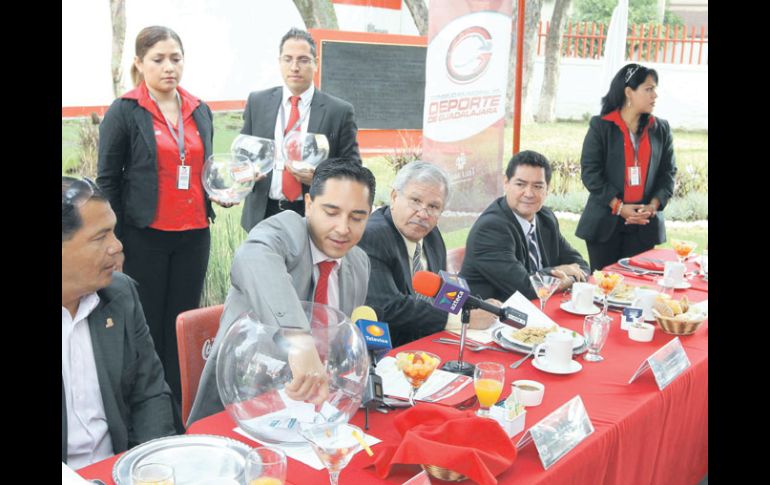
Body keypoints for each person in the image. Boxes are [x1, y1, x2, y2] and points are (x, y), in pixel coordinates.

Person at [188, 158, 374, 425]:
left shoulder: (358, 264)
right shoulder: (288, 231)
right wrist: (299, 342)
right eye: (331, 213)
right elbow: (253, 256)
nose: (343, 228)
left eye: (357, 217)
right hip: (246, 403)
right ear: (309, 205)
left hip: (317, 410)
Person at [97, 26, 227, 403]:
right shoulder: (126, 111)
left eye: (176, 58)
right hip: (145, 235)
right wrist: (113, 240)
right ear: (139, 63)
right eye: (158, 60)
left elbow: (202, 168)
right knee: (148, 324)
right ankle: (145, 402)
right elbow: (107, 180)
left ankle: (178, 402)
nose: (169, 67)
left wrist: (219, 192)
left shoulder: (199, 109)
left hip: (194, 235)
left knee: (183, 323)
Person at [62, 176, 180, 469]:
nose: (116, 247)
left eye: (113, 232)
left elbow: (150, 395)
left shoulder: (120, 294)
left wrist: (150, 469)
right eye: (101, 237)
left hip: (119, 468)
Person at [358, 161, 499, 347]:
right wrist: (465, 318)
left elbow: (441, 292)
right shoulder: (372, 236)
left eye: (433, 207)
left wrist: (474, 307)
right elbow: (388, 306)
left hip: (431, 342)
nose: (423, 214)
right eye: (415, 201)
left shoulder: (431, 235)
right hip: (389, 351)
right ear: (394, 197)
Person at [239, 27, 361, 232]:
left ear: (316, 63)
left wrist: (320, 177)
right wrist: (243, 174)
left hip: (312, 214)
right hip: (262, 214)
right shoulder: (257, 102)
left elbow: (354, 168)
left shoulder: (338, 111)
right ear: (279, 62)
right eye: (288, 59)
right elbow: (242, 153)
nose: (294, 67)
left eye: (303, 60)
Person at [576, 63, 677, 271]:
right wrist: (618, 207)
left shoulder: (661, 129)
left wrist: (653, 206)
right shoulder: (601, 126)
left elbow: (669, 172)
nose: (655, 95)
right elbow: (590, 173)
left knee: (637, 289)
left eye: (655, 89)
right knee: (605, 286)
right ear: (629, 92)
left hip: (644, 223)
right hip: (605, 222)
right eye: (648, 89)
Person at [460, 151, 590, 302]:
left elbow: (581, 266)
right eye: (520, 184)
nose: (528, 193)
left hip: (538, 309)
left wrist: (567, 278)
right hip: (493, 318)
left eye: (537, 186)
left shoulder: (545, 218)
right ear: (506, 183)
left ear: (547, 189)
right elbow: (525, 288)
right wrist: (560, 273)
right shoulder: (490, 229)